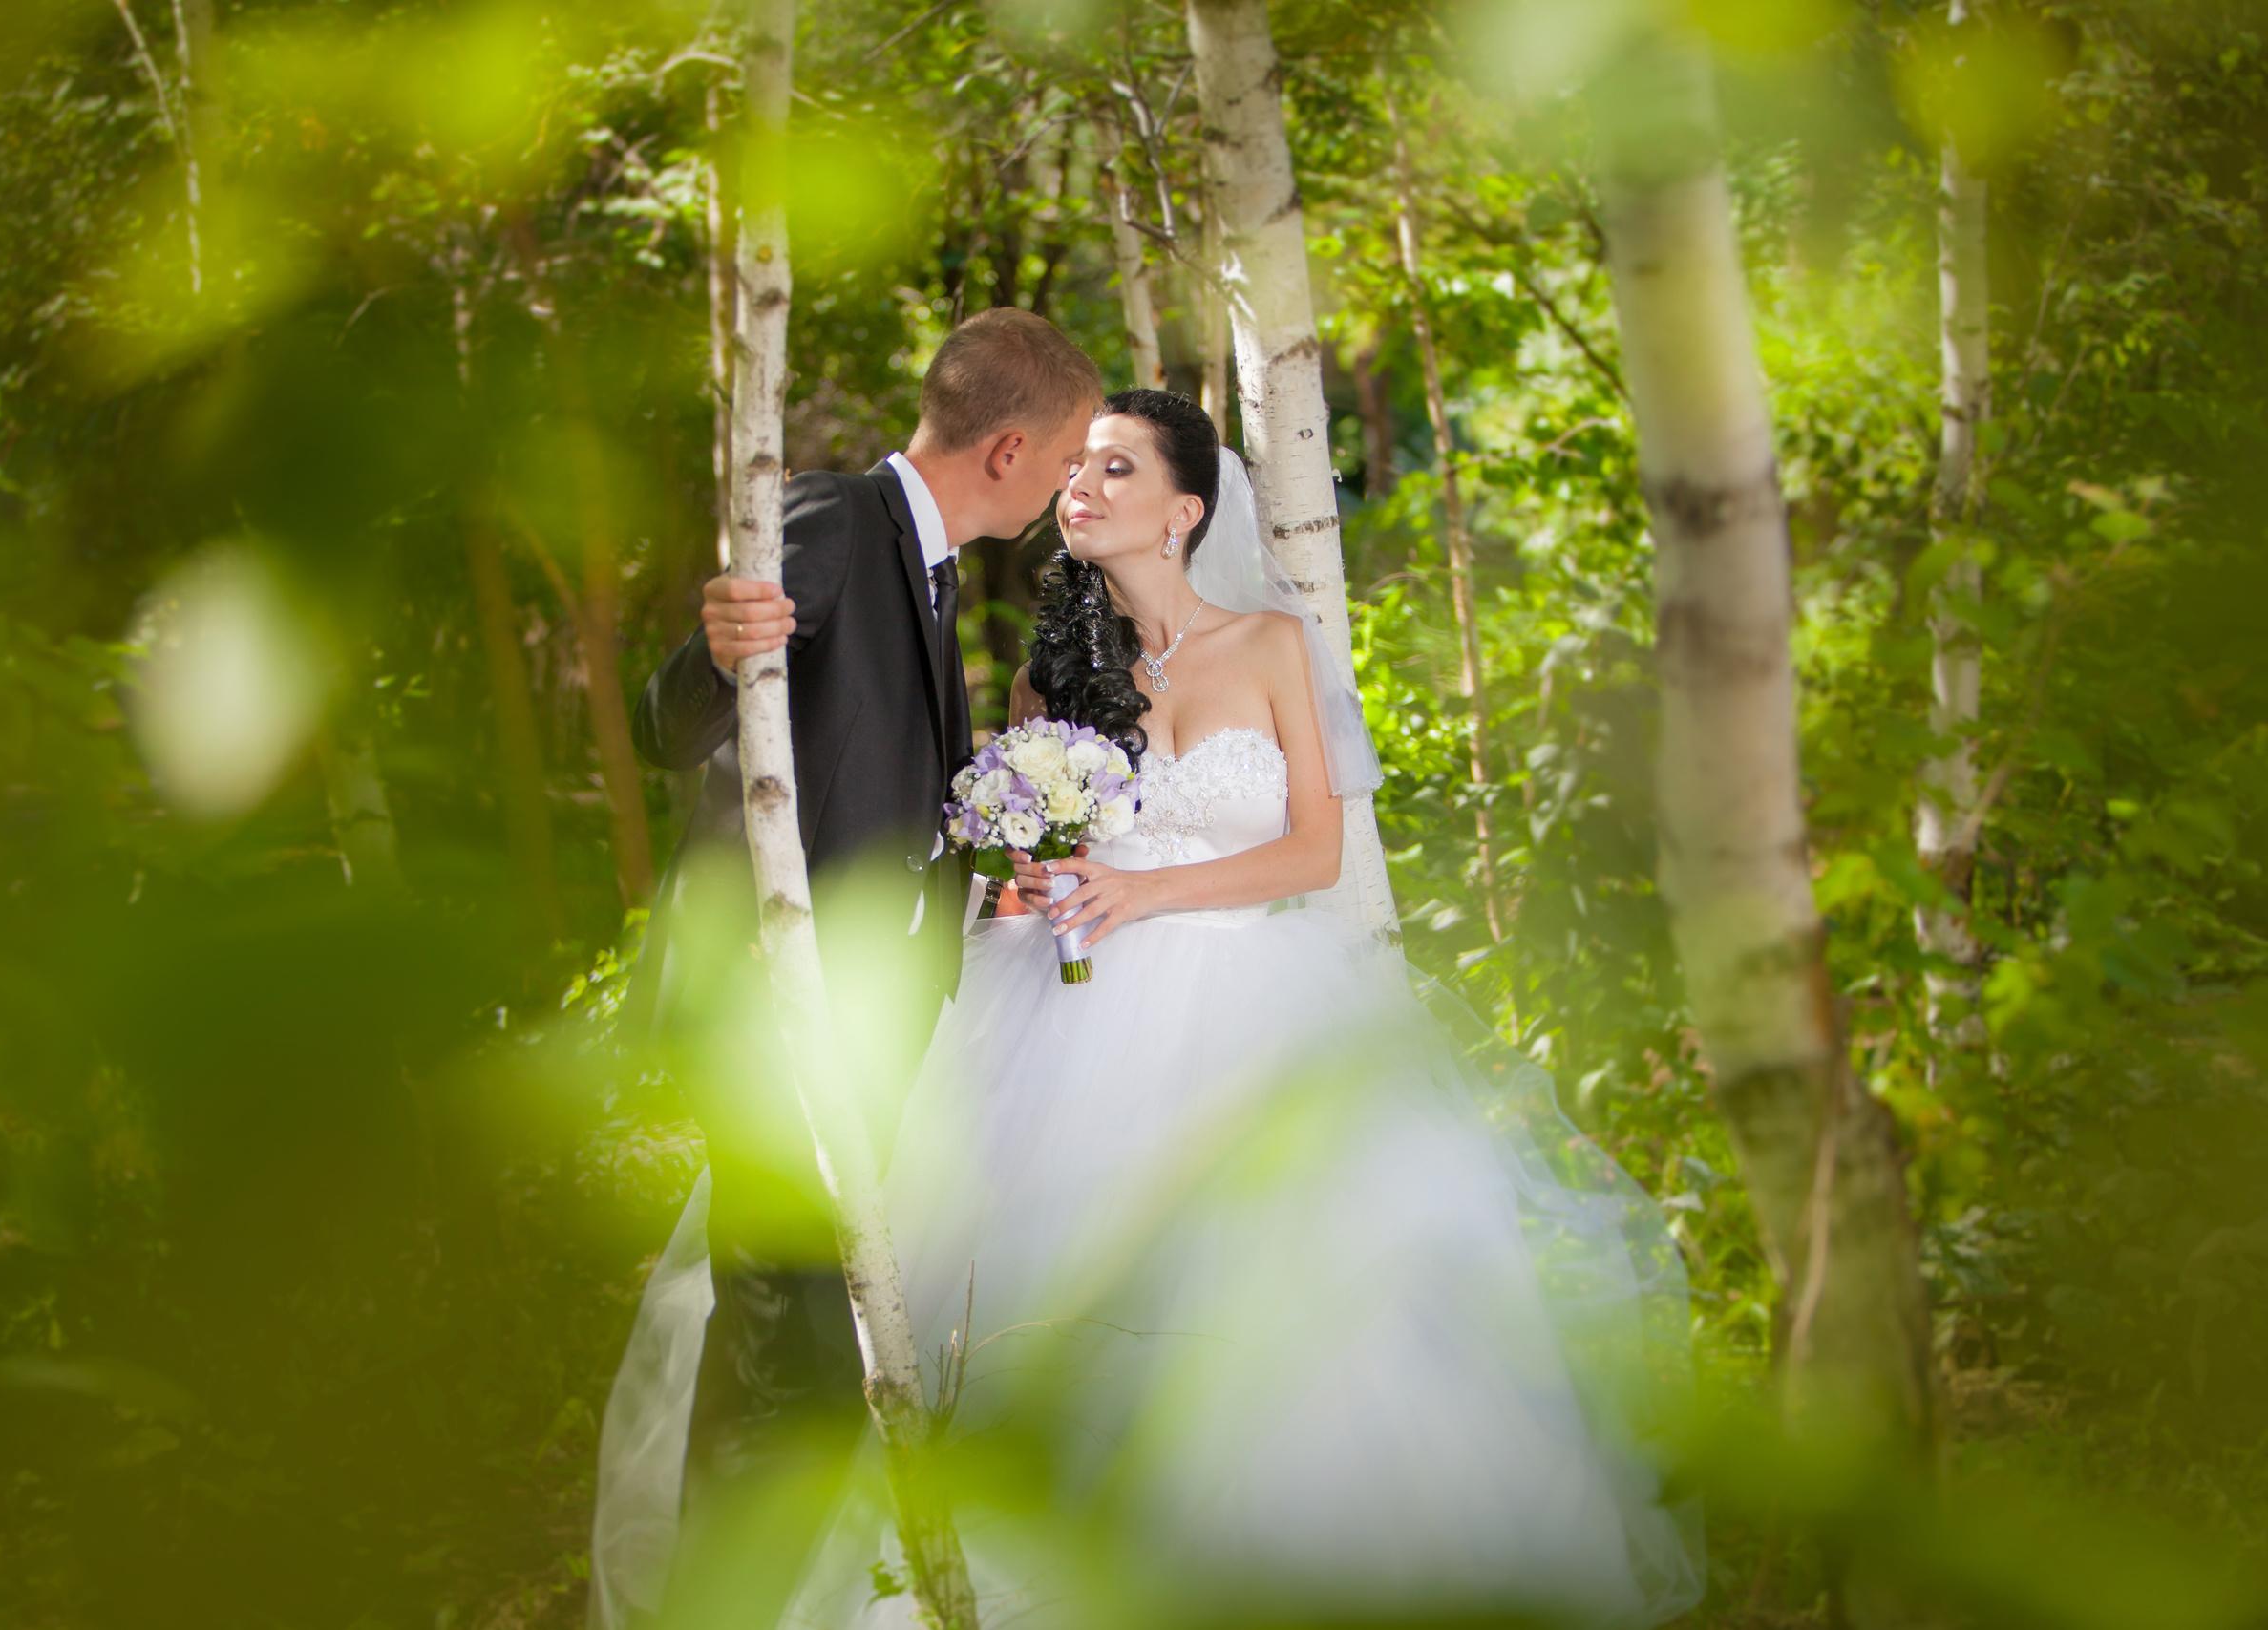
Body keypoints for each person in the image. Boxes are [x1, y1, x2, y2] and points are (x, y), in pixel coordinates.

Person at [776, 390, 1706, 1627]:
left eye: (1116, 470)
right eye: (1077, 471)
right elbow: (1024, 878)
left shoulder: (1270, 645)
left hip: (1254, 1012)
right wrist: (1026, 888)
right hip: (1074, 1028)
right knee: (1068, 1313)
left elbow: (1314, 852)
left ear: (1187, 508)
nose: (1082, 489)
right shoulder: (1051, 680)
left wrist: (1148, 886)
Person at [592, 309, 1101, 1622]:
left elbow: (869, 794)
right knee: (794, 1358)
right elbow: (677, 720)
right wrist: (715, 648)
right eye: (1057, 467)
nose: (1058, 498)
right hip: (776, 1022)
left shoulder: (922, 565)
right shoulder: (829, 518)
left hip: (854, 1026)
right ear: (1005, 450)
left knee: (793, 1341)